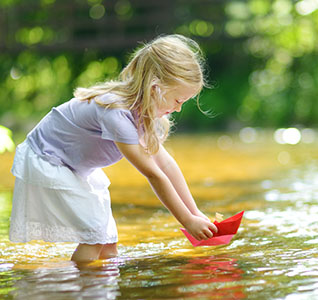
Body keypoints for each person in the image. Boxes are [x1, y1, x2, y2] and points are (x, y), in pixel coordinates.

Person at [8, 34, 218, 262]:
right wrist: (186, 221)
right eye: (178, 101)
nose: (178, 109)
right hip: (47, 158)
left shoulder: (144, 113)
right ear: (155, 88)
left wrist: (196, 213)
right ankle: (79, 290)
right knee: (95, 238)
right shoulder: (117, 114)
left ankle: (102, 288)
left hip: (72, 164)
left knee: (108, 243)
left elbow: (166, 165)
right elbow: (154, 174)